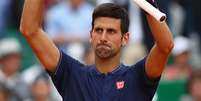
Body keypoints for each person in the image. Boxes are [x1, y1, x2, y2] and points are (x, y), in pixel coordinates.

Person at [20, 0, 174, 100]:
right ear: (90, 35)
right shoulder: (72, 74)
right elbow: (30, 30)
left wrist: (149, 6)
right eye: (99, 30)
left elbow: (165, 46)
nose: (103, 37)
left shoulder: (138, 77)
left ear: (125, 38)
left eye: (111, 31)